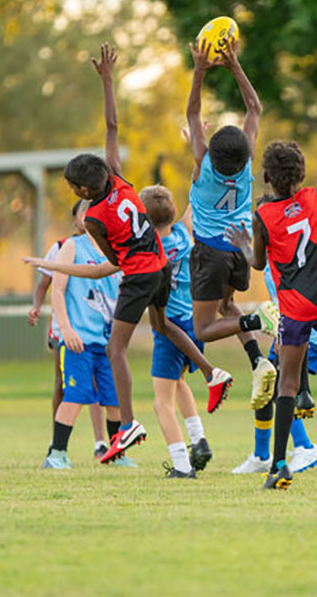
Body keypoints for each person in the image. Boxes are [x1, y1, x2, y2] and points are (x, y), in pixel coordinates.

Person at [25, 43, 232, 464]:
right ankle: (214, 373)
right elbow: (113, 126)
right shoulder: (120, 180)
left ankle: (129, 424)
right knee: (163, 324)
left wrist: (61, 265)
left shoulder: (96, 219)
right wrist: (108, 80)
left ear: (84, 191)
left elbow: (112, 265)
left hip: (138, 276)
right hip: (161, 268)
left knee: (116, 349)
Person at [218, 140, 317, 490]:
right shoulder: (314, 197)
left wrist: (245, 241)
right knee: (283, 360)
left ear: (267, 176)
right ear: (301, 173)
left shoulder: (263, 216)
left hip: (297, 306)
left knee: (280, 383)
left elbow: (257, 263)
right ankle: (305, 391)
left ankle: (280, 464)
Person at [186, 36, 278, 408]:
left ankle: (258, 322)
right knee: (227, 308)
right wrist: (235, 64)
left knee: (202, 329)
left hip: (210, 253)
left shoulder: (203, 165)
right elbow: (254, 107)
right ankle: (258, 361)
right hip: (241, 249)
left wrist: (199, 70)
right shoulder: (246, 166)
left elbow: (192, 114)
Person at [141, 185, 215, 478]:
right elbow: (194, 203)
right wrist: (200, 167)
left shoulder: (148, 249)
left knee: (162, 402)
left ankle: (182, 464)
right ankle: (199, 439)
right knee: (179, 381)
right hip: (193, 323)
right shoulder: (184, 235)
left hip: (169, 328)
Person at [40, 219, 124, 469]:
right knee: (75, 395)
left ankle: (116, 453)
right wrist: (65, 328)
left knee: (114, 400)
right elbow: (57, 290)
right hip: (78, 341)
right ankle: (57, 453)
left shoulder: (118, 253)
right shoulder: (73, 247)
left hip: (108, 343)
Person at [231, 261, 317, 475]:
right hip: (287, 329)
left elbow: (302, 295)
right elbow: (255, 262)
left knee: (280, 389)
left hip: (302, 332)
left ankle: (306, 447)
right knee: (264, 385)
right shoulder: (271, 253)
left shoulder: (292, 253)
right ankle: (261, 456)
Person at [28, 202, 109, 457]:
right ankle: (58, 443)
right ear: (74, 219)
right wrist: (37, 307)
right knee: (65, 383)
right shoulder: (63, 247)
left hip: (99, 331)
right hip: (67, 326)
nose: (87, 217)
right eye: (82, 213)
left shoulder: (109, 248)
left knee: (100, 383)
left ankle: (101, 442)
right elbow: (46, 283)